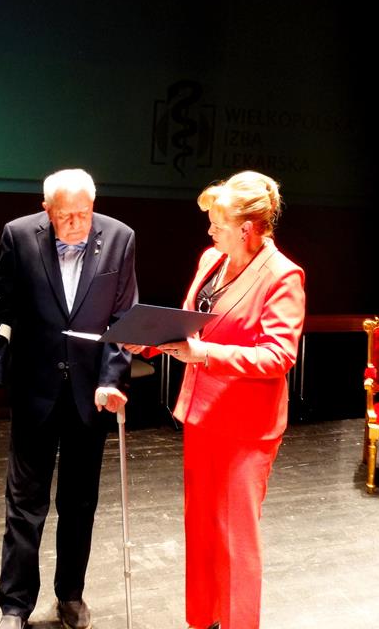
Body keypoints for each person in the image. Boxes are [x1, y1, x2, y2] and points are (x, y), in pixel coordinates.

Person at [128, 171, 305, 629]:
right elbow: (191, 323)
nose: (209, 231)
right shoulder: (212, 258)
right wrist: (147, 339)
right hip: (202, 412)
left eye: (218, 224)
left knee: (236, 537)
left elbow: (279, 356)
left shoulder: (282, 276)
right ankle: (204, 618)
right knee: (203, 527)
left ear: (246, 228)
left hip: (246, 426)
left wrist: (205, 353)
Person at [0, 169, 137, 629]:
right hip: (35, 391)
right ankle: (14, 605)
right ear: (46, 210)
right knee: (24, 506)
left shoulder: (120, 237)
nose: (77, 224)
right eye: (65, 216)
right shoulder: (19, 235)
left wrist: (112, 378)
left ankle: (71, 595)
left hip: (90, 395)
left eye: (84, 214)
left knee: (79, 504)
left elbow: (122, 318)